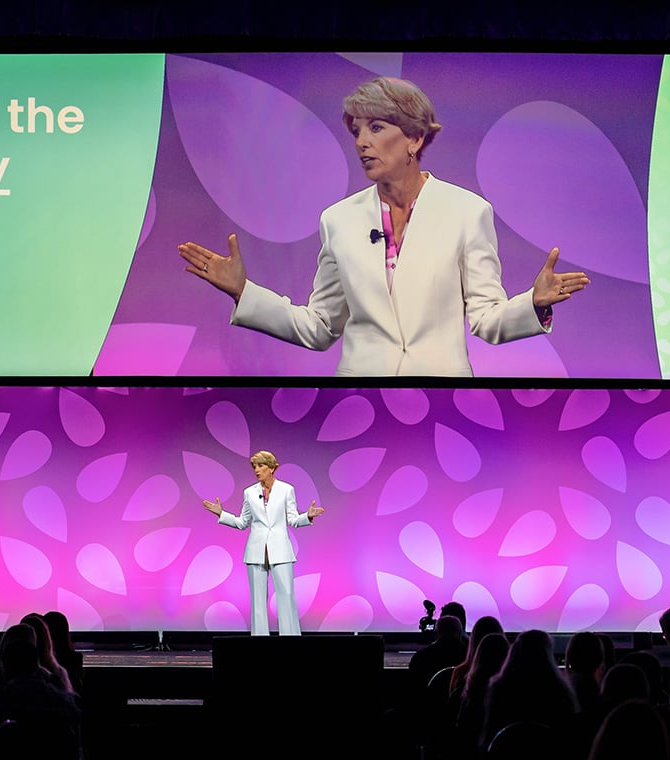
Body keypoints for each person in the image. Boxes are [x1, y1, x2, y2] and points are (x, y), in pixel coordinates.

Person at [179, 75, 589, 377]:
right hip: (360, 400)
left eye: (376, 128)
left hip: (441, 398)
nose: (362, 142)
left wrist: (535, 304)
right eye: (357, 131)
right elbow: (320, 327)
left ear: (414, 139)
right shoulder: (338, 220)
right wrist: (243, 292)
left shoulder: (467, 211)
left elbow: (486, 320)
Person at [203, 450, 324, 635]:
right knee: (257, 601)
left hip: (280, 550)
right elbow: (242, 522)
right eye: (254, 467)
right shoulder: (249, 492)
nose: (257, 470)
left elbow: (292, 519)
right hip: (256, 551)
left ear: (272, 468)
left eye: (261, 466)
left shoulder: (286, 490)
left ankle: (290, 639)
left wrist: (307, 516)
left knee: (286, 596)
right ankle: (259, 642)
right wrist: (221, 514)